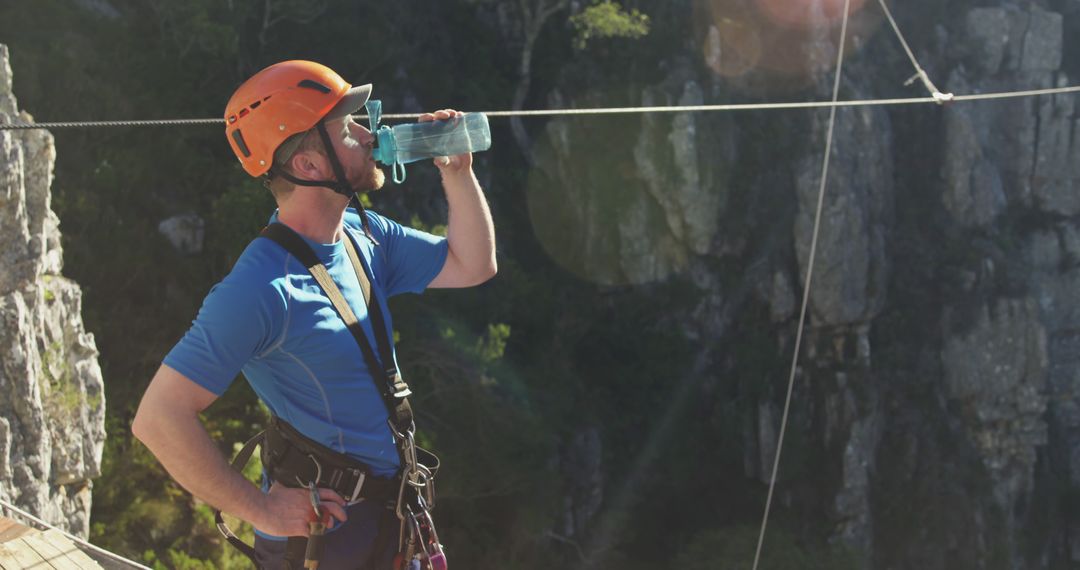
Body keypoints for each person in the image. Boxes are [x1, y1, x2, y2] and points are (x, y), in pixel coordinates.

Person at [132, 60, 496, 569]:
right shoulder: (261, 287)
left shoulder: (362, 235)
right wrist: (259, 508)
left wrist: (459, 175)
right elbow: (158, 419)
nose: (370, 135)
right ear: (308, 165)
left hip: (388, 517)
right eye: (349, 129)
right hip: (329, 534)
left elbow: (473, 265)